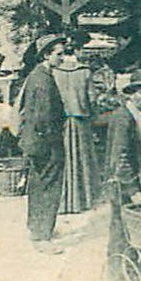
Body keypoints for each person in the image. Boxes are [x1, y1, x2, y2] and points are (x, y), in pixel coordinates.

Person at [102, 70, 141, 281]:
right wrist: (134, 190)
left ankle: (135, 275)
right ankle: (117, 278)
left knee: (137, 231)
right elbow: (120, 159)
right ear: (131, 94)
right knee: (121, 233)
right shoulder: (123, 118)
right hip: (124, 186)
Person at [18, 33, 68, 246]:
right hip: (46, 142)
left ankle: (36, 227)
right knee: (50, 187)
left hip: (36, 140)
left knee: (38, 185)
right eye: (59, 54)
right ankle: (43, 236)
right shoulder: (43, 81)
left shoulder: (37, 75)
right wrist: (53, 142)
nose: (63, 58)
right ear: (46, 55)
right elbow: (43, 117)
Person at [53, 46, 100, 214]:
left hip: (61, 123)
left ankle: (64, 202)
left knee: (62, 161)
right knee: (82, 160)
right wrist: (94, 117)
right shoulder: (85, 72)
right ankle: (84, 200)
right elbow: (92, 99)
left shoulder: (53, 71)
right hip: (81, 121)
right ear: (77, 53)